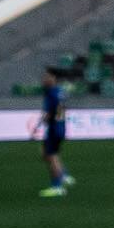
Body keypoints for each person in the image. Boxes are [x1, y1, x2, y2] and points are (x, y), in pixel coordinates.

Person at [36, 67, 74, 197]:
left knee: (51, 156)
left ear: (53, 78)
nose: (44, 79)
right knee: (49, 154)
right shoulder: (60, 92)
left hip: (54, 127)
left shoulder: (52, 92)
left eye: (47, 76)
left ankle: (57, 186)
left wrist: (39, 126)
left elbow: (50, 113)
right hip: (60, 126)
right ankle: (64, 175)